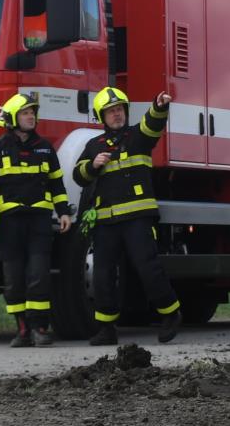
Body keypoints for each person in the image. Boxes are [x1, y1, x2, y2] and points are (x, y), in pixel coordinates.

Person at [74, 86, 181, 345]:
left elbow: (151, 125)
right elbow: (79, 175)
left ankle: (170, 314)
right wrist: (92, 165)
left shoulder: (137, 137)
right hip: (106, 223)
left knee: (148, 268)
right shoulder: (92, 146)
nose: (117, 114)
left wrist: (159, 107)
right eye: (111, 111)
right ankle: (106, 328)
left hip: (137, 218)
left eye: (120, 109)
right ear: (102, 116)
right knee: (103, 275)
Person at [0, 93, 73, 347]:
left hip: (39, 221)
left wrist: (63, 211)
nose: (31, 117)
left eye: (32, 112)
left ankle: (40, 328)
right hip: (9, 223)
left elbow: (56, 183)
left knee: (38, 275)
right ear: (12, 119)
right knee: (13, 279)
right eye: (25, 113)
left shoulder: (44, 147)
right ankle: (22, 330)